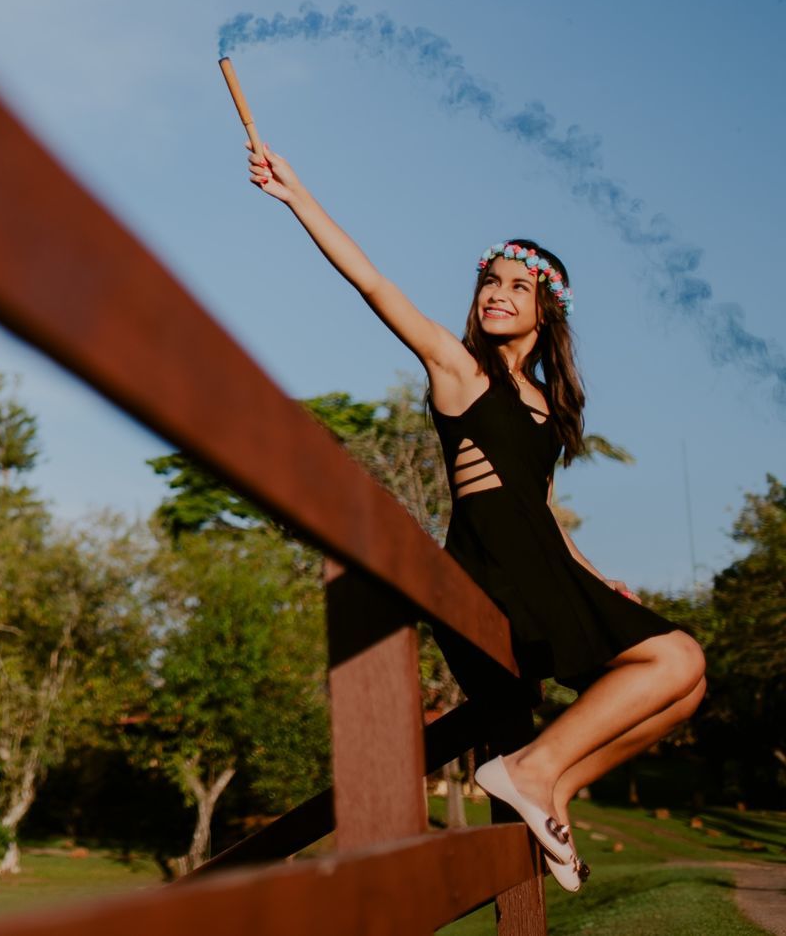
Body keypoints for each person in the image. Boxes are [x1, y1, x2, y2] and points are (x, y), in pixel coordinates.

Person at [245, 139, 705, 891]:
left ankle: (548, 787)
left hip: (549, 568)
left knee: (685, 687)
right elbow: (373, 284)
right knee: (679, 657)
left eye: (516, 287)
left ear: (543, 310)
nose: (496, 294)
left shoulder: (550, 407)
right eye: (490, 281)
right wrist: (296, 196)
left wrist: (602, 580)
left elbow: (547, 512)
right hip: (498, 573)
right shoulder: (458, 370)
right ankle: (529, 770)